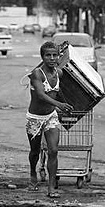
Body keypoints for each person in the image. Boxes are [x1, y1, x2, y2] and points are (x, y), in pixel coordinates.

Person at [26, 41, 73, 198]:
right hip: (35, 118)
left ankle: (51, 188)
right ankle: (33, 172)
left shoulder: (59, 73)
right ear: (42, 57)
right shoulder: (37, 74)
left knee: (53, 150)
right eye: (48, 55)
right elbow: (40, 95)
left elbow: (57, 93)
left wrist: (67, 104)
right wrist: (59, 104)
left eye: (54, 55)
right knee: (34, 151)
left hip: (51, 116)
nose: (52, 58)